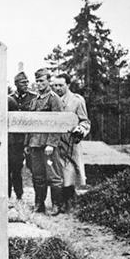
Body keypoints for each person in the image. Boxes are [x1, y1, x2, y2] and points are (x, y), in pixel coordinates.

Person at [24, 68, 64, 215]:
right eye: (37, 81)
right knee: (38, 176)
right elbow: (30, 123)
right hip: (35, 144)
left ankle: (56, 205)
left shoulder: (54, 99)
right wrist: (27, 143)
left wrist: (51, 144)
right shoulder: (34, 101)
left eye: (42, 81)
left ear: (49, 81)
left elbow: (58, 123)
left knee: (53, 176)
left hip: (48, 146)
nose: (39, 84)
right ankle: (39, 204)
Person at [52, 72, 91, 211]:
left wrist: (80, 129)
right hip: (55, 141)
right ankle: (58, 203)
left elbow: (85, 121)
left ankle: (69, 201)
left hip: (71, 142)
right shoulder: (51, 99)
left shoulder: (77, 100)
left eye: (61, 85)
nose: (57, 88)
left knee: (70, 171)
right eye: (55, 85)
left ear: (68, 85)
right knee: (57, 172)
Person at [7, 71, 37, 200]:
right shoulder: (10, 98)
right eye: (22, 82)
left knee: (33, 169)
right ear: (16, 84)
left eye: (27, 82)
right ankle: (9, 196)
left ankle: (28, 197)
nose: (26, 84)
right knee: (11, 168)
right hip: (13, 140)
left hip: (28, 138)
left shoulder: (33, 98)